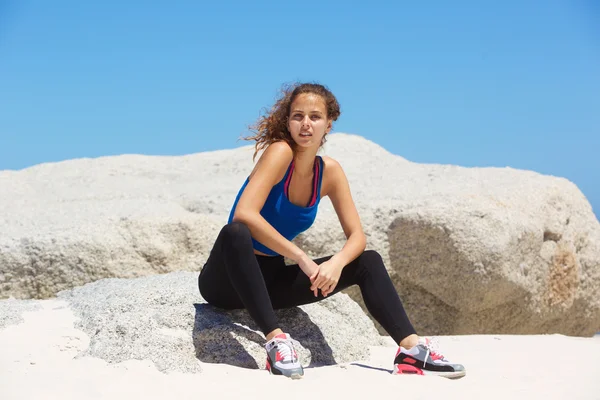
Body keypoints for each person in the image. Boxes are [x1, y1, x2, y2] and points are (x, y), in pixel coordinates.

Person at [198, 82, 466, 379]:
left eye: (315, 117)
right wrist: (301, 257)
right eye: (298, 116)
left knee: (368, 261)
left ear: (329, 124)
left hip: (270, 282)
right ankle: (276, 341)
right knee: (236, 232)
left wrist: (336, 265)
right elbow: (244, 214)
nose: (306, 124)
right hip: (225, 280)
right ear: (287, 121)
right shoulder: (279, 152)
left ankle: (410, 350)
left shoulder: (330, 172)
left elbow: (358, 237)